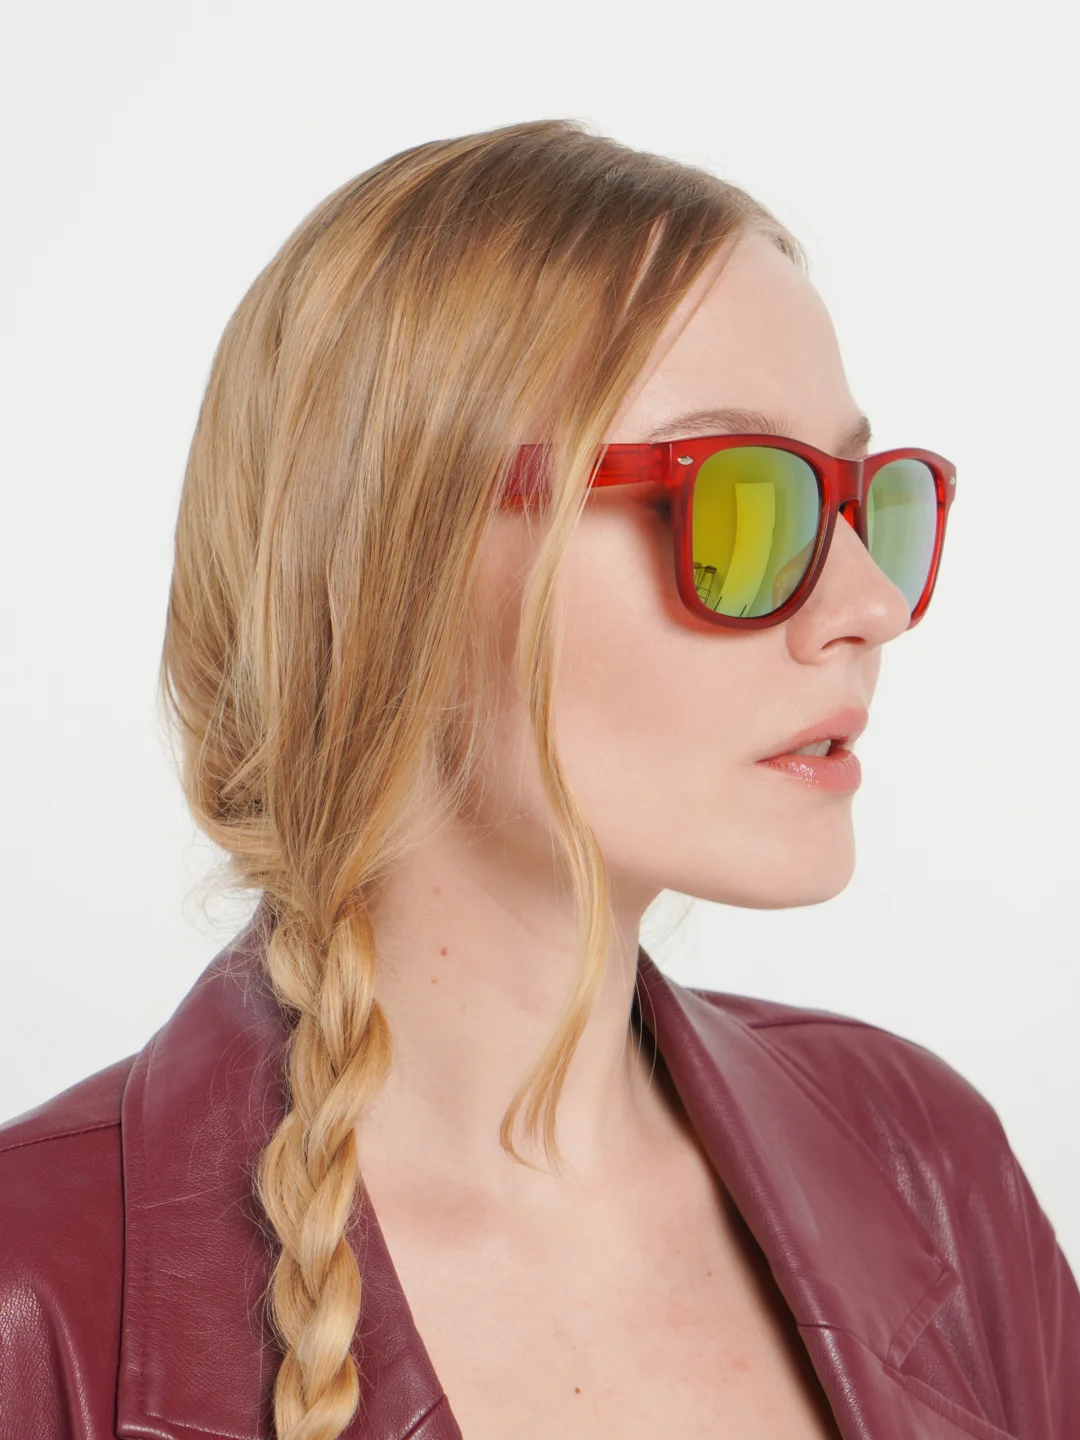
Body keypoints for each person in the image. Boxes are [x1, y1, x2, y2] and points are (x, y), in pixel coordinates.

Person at [0, 118, 1075, 1440]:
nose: (869, 604)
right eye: (742, 506)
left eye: (869, 504)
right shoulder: (35, 1294)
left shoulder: (925, 1160)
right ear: (396, 573)